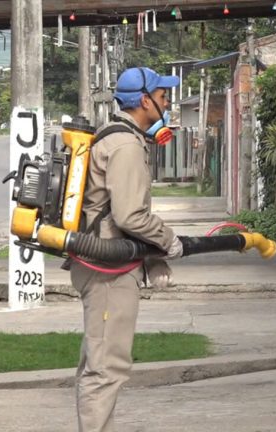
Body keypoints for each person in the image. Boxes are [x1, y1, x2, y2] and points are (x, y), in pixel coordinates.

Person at [69, 67, 183, 432]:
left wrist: (151, 257)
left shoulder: (116, 136)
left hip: (104, 264)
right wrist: (169, 241)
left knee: (99, 365)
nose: (167, 102)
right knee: (105, 370)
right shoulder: (126, 145)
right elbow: (130, 216)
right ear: (145, 101)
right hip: (108, 272)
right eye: (163, 96)